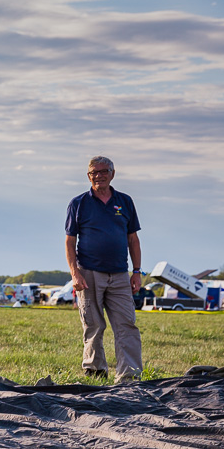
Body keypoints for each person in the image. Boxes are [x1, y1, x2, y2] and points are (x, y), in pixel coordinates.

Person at [65, 156, 143, 380]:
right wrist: (75, 273)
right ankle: (95, 371)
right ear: (88, 176)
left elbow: (133, 239)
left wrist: (136, 272)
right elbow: (70, 241)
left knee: (126, 325)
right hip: (89, 273)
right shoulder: (78, 203)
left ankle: (129, 377)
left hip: (119, 274)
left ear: (113, 173)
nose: (99, 176)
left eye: (103, 171)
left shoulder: (125, 202)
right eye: (94, 172)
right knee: (93, 324)